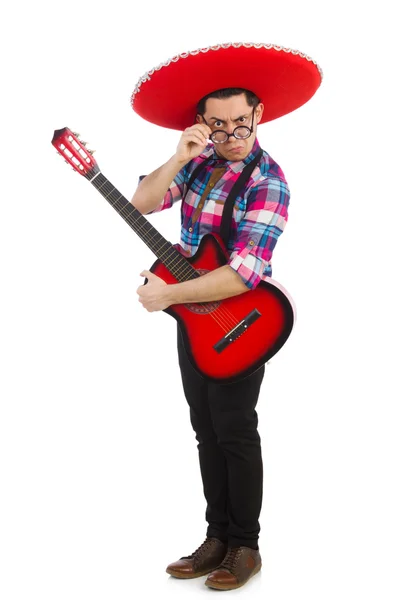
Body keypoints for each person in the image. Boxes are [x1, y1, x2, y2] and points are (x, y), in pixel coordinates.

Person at [130, 43, 322, 591]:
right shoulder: (197, 166)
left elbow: (244, 274)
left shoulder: (270, 181)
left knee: (236, 429)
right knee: (204, 429)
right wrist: (179, 155)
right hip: (195, 323)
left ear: (258, 114)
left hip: (242, 323)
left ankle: (246, 546)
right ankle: (216, 536)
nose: (233, 134)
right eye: (220, 125)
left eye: (242, 121)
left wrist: (169, 297)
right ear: (203, 124)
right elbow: (142, 202)